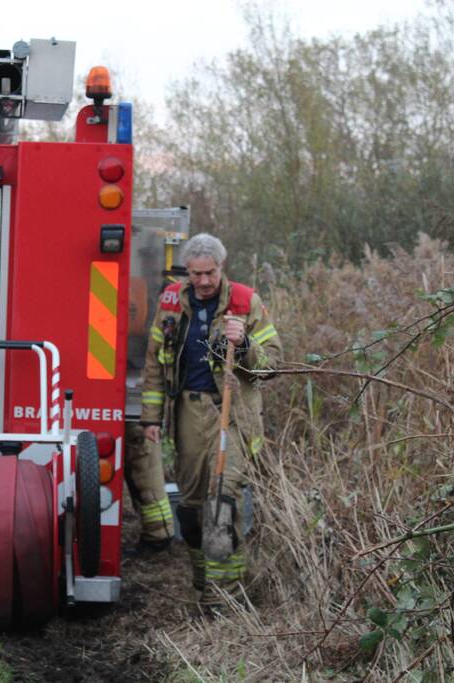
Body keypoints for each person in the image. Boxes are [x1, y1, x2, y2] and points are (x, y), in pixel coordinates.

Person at [140, 233, 281, 605]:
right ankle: (204, 581)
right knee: (190, 507)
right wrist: (151, 418)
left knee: (224, 499)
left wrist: (246, 346)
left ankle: (223, 596)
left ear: (222, 268)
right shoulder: (171, 302)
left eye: (210, 273)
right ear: (187, 272)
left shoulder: (245, 302)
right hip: (187, 412)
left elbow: (274, 364)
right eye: (196, 273)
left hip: (232, 414)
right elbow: (155, 362)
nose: (203, 281)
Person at [122, 422, 175, 555]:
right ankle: (157, 534)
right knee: (141, 483)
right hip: (139, 422)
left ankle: (159, 536)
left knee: (147, 484)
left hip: (141, 426)